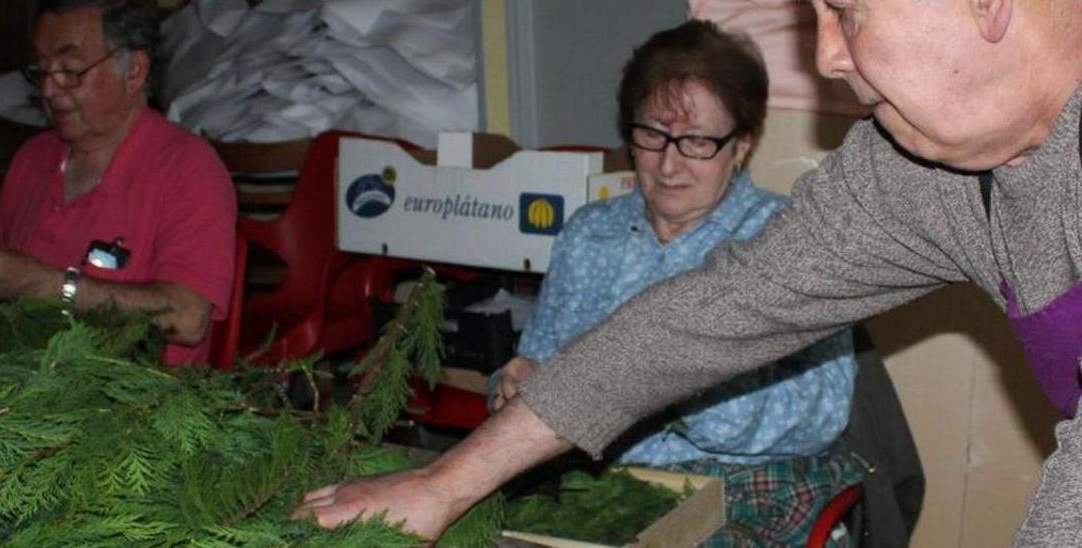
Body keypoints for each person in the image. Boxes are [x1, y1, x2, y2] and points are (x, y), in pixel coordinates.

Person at [297, 0, 1082, 544]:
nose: (825, 55)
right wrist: (442, 485)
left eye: (847, 10)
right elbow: (699, 322)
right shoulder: (915, 173)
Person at [487, 21, 859, 546]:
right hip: (593, 484)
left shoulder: (789, 241)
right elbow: (536, 366)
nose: (669, 163)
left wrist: (671, 391)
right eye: (651, 136)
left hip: (736, 490)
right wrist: (515, 386)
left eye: (698, 142)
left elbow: (823, 413)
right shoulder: (589, 235)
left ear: (741, 146)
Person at [0, 0, 237, 366]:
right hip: (23, 390)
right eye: (41, 72)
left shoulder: (188, 169)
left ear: (134, 71)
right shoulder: (33, 159)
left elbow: (187, 317)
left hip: (137, 404)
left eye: (70, 71)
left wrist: (53, 288)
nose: (50, 91)